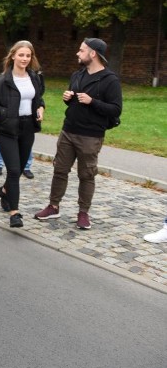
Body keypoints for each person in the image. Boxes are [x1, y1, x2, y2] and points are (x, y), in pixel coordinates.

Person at [34, 38, 122, 230]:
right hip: (68, 131)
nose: (77, 53)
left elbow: (115, 109)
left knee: (86, 174)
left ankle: (83, 213)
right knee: (59, 170)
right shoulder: (77, 75)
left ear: (93, 54)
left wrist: (93, 102)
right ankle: (53, 206)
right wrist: (68, 99)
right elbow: (75, 101)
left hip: (91, 135)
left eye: (81, 50)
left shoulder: (110, 80)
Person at [0, 41, 45, 228]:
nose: (25, 59)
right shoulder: (2, 81)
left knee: (19, 168)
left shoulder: (34, 78)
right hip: (6, 130)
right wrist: (3, 113)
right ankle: (14, 213)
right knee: (15, 171)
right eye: (21, 55)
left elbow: (38, 98)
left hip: (27, 128)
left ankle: (4, 190)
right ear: (13, 56)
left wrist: (40, 108)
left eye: (28, 56)